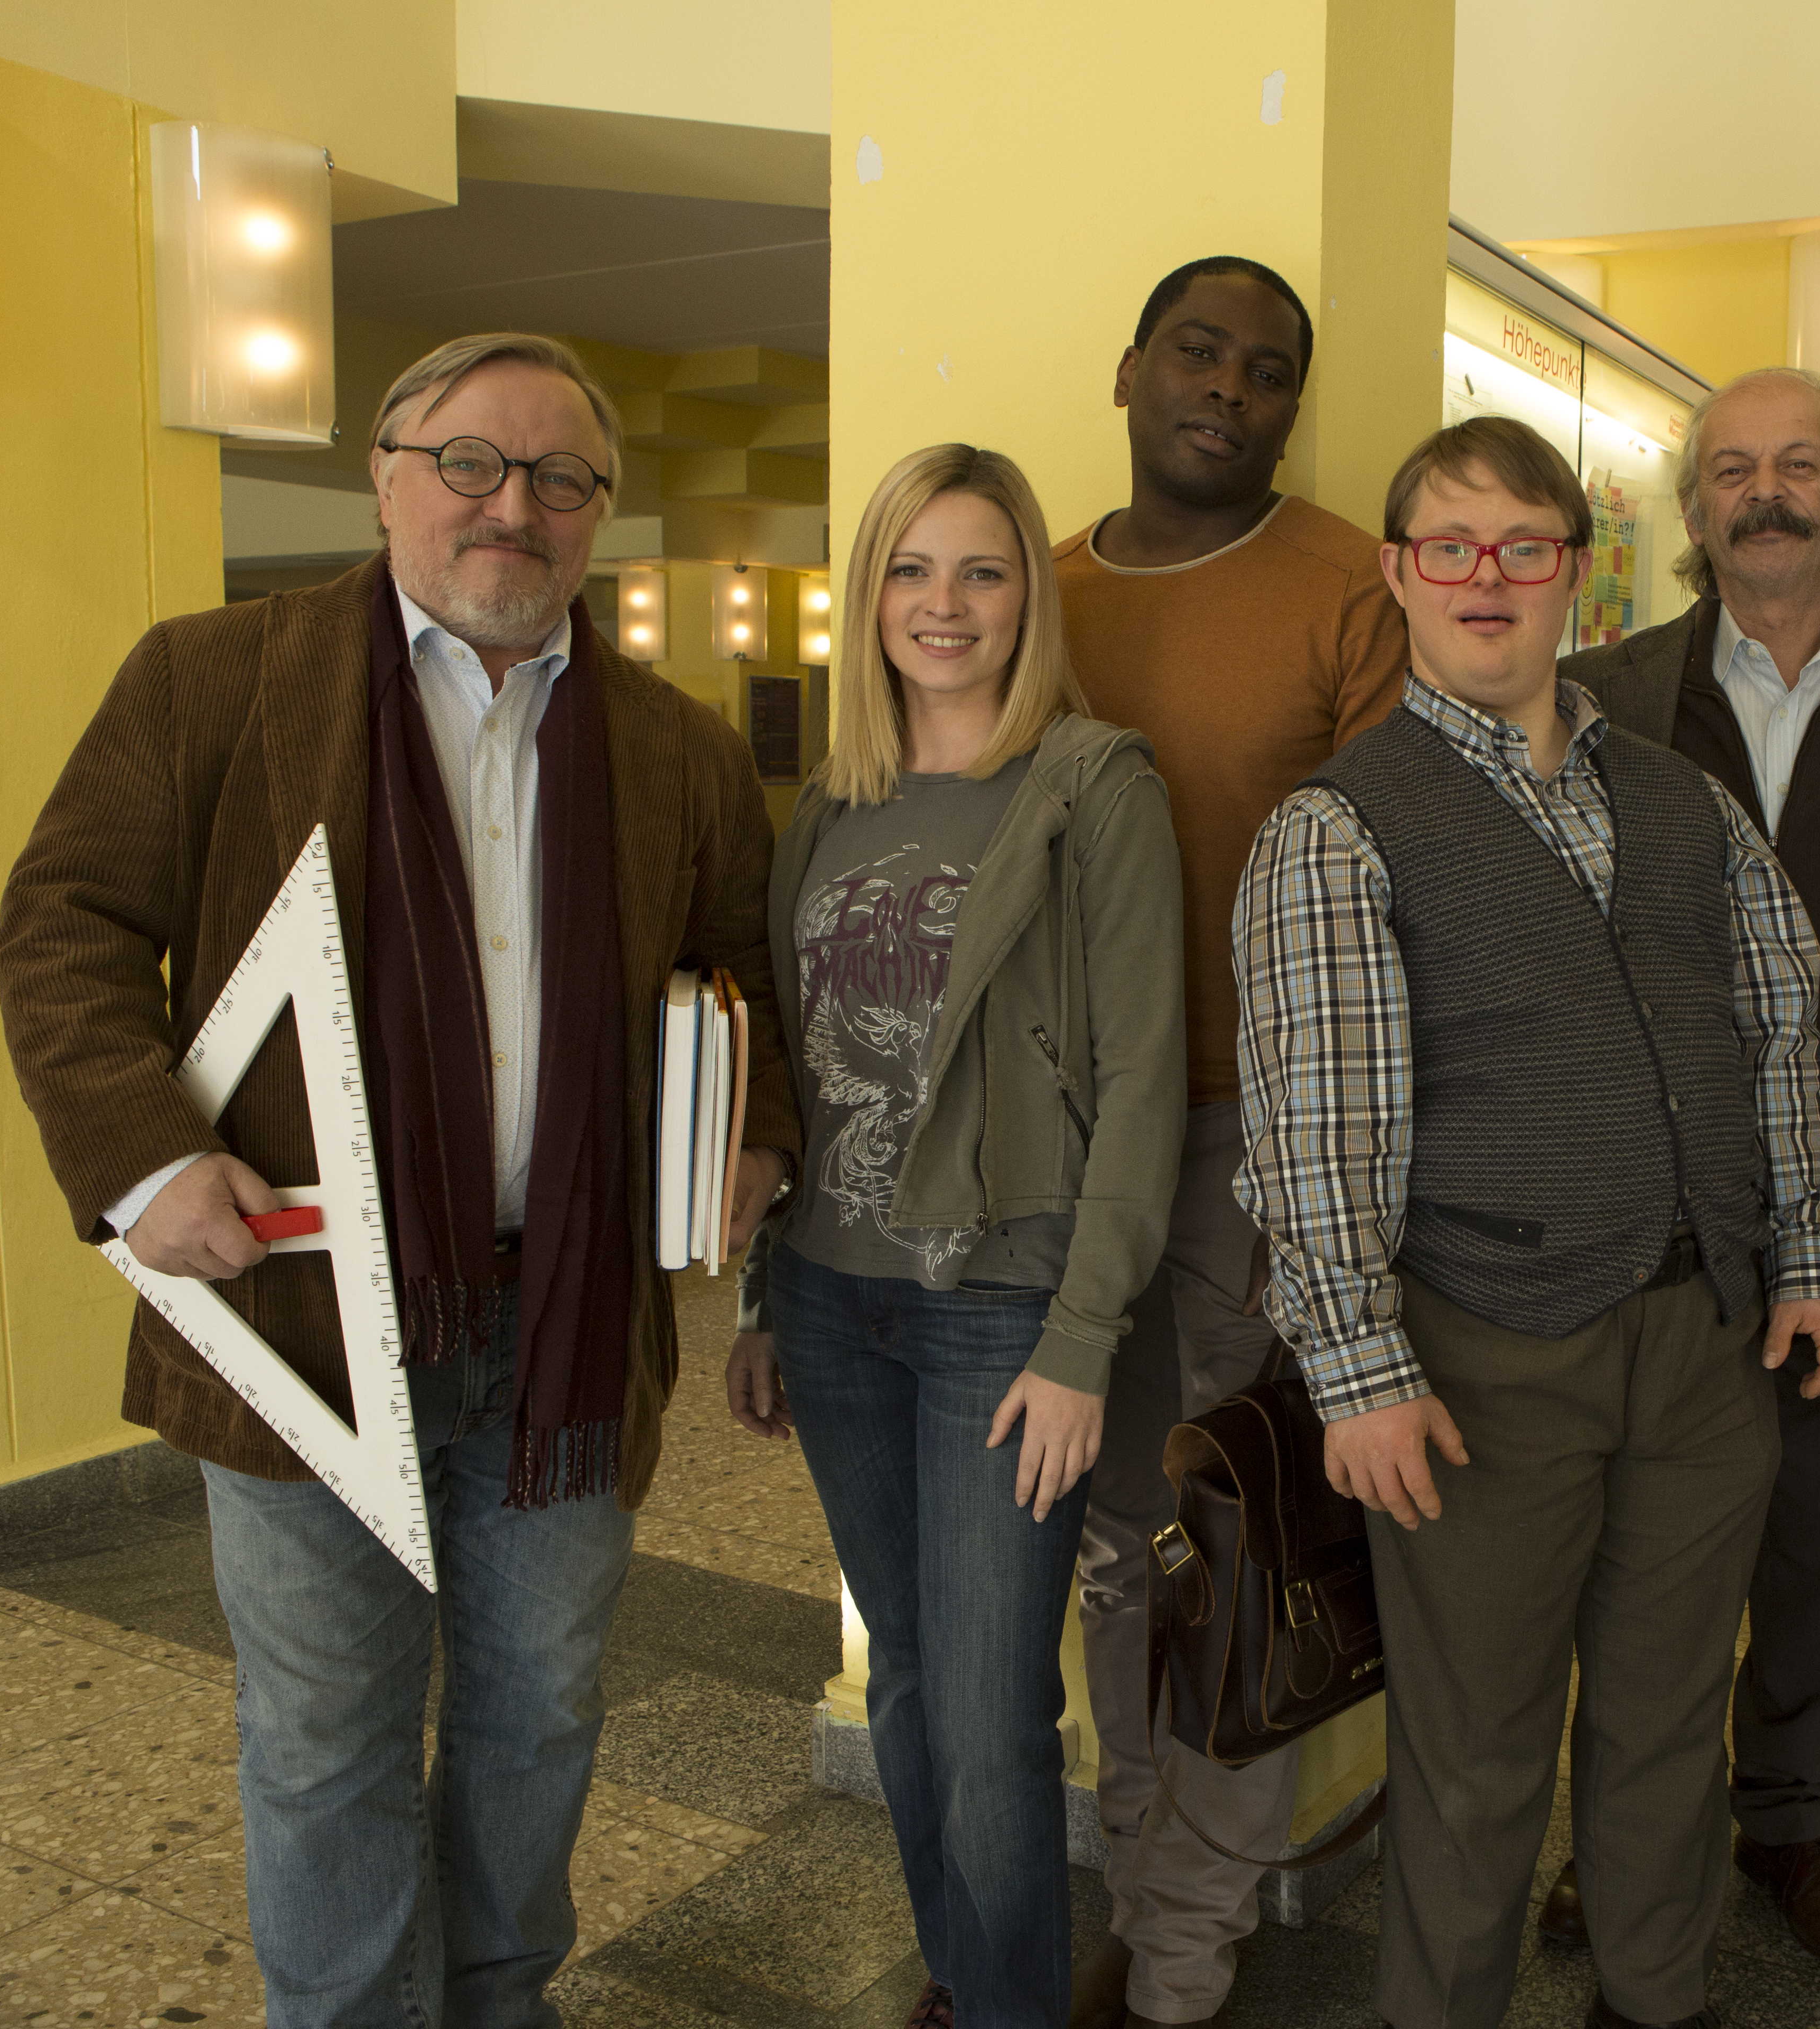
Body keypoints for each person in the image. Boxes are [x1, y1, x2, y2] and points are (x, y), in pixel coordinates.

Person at [0, 332, 796, 2028]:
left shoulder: (679, 746)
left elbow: (744, 982)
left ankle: (498, 2002)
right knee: (325, 1734)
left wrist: (761, 1137)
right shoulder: (217, 679)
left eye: (562, 477)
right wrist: (145, 1155)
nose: (516, 508)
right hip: (298, 1317)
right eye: (471, 465)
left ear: (599, 515)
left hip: (564, 1328)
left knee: (542, 1713)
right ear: (386, 473)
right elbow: (62, 921)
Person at [1234, 415, 1820, 2029]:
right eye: (1452, 545)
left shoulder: (1679, 798)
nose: (1489, 578)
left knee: (1666, 1716)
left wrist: (1809, 1257)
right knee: (1478, 1743)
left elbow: (1780, 1025)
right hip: (1483, 1352)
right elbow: (1318, 1125)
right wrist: (1357, 1368)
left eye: (1527, 546)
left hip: (1708, 1338)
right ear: (1399, 574)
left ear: (1579, 577)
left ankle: (1653, 1995)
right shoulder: (1337, 824)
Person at [724, 444, 1186, 2029]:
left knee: (992, 1711)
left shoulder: (1094, 785)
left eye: (981, 570)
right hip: (834, 1303)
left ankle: (1004, 2006)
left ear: (1027, 599)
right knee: (910, 1672)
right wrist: (759, 1302)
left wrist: (1081, 1341)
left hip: (1004, 1309)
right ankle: (961, 1970)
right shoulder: (827, 804)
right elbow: (780, 1069)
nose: (945, 603)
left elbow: (1141, 1083)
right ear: (867, 598)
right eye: (911, 570)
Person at [1554, 364, 1820, 1974]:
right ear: (1692, 510)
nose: (1768, 492)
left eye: (1800, 464)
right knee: (1642, 1548)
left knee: (1816, 1540)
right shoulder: (1604, 690)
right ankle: (1627, 1836)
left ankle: (1790, 1822)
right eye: (1732, 468)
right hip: (1648, 1226)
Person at [1050, 254, 1407, 2029]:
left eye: (1268, 371)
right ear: (1129, 367)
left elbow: (1400, 880)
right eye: (1198, 349)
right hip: (1067, 1151)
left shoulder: (1352, 586)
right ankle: (1145, 1887)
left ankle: (1188, 1946)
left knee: (1233, 1539)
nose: (1228, 387)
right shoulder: (1033, 593)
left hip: (1253, 1148)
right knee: (1122, 1544)